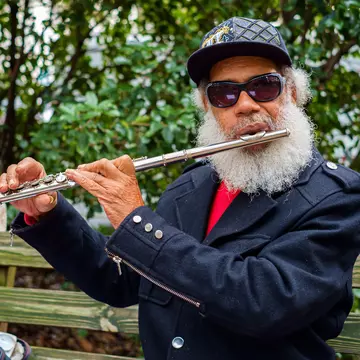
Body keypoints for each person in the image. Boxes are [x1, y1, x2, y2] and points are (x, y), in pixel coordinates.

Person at [1, 16, 360, 360]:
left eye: (264, 86)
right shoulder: (192, 184)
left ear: (293, 93)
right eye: (224, 94)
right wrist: (48, 214)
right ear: (208, 105)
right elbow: (121, 282)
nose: (246, 105)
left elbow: (264, 301)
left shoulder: (336, 195)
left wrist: (137, 220)